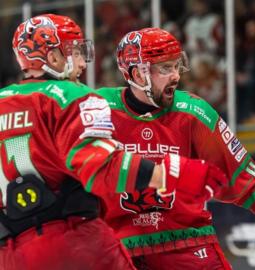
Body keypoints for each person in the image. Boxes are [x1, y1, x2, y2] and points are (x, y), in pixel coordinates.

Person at [0, 14, 228, 270]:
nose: (82, 63)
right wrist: (169, 174)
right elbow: (101, 165)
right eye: (75, 52)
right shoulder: (72, 96)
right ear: (53, 58)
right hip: (72, 242)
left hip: (8, 253)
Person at [95, 27, 255, 269]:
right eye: (165, 68)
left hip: (185, 241)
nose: (176, 76)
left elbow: (233, 173)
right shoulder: (98, 110)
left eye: (176, 66)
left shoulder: (194, 112)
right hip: (119, 246)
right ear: (137, 74)